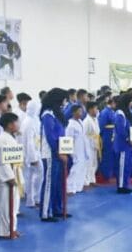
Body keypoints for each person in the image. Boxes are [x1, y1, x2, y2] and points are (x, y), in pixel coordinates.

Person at [39, 88, 68, 221]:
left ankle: (57, 209)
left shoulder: (57, 113)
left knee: (58, 183)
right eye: (64, 99)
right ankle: (45, 212)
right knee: (50, 183)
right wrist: (58, 151)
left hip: (60, 151)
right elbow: (50, 136)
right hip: (51, 153)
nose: (65, 102)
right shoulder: (48, 114)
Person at [0, 112, 22, 240]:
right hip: (7, 178)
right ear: (10, 125)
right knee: (5, 205)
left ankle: (12, 228)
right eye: (16, 122)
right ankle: (4, 231)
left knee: (14, 204)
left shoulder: (10, 137)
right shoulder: (2, 139)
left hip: (14, 172)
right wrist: (9, 177)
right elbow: (1, 161)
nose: (18, 124)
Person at [20, 100, 42, 208]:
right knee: (31, 176)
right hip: (30, 154)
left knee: (33, 176)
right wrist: (33, 158)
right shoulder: (28, 122)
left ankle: (34, 198)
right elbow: (29, 142)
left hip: (35, 151)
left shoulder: (34, 120)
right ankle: (32, 199)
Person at [113, 96, 132, 194]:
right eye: (130, 101)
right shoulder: (120, 114)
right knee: (122, 166)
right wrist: (128, 139)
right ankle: (121, 186)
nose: (131, 103)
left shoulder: (127, 113)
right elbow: (120, 130)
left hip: (128, 144)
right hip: (122, 144)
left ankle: (126, 184)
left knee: (127, 165)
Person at [65, 105, 88, 194]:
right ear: (73, 112)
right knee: (75, 168)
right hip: (75, 149)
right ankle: (69, 188)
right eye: (79, 111)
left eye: (81, 111)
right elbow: (68, 138)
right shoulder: (70, 124)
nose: (81, 113)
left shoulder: (81, 122)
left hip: (82, 147)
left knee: (82, 167)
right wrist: (69, 152)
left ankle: (78, 186)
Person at [98, 96, 117, 182]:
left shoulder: (112, 111)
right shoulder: (105, 112)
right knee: (107, 156)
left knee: (111, 156)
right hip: (106, 136)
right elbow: (101, 126)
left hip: (111, 136)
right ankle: (106, 175)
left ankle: (110, 173)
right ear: (112, 103)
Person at [82, 102, 100, 188]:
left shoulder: (95, 120)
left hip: (95, 142)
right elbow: (84, 135)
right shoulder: (86, 121)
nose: (97, 110)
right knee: (88, 163)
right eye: (95, 108)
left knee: (94, 163)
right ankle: (86, 182)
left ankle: (92, 180)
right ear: (90, 110)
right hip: (88, 144)